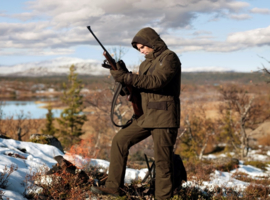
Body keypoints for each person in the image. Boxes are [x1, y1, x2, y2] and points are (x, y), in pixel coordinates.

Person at [91, 27, 181, 200]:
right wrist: (125, 84)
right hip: (146, 116)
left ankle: (163, 198)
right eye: (139, 49)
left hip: (164, 117)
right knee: (120, 140)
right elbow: (140, 88)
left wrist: (126, 77)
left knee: (163, 162)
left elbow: (157, 82)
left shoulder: (169, 57)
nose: (142, 51)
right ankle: (113, 187)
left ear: (151, 42)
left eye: (143, 47)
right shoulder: (146, 63)